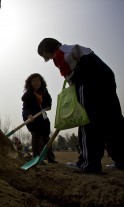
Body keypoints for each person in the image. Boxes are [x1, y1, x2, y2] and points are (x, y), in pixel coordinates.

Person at [37, 38, 124, 173]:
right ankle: (122, 161)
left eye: (44, 55)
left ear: (46, 49)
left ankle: (88, 164)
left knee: (87, 120)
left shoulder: (59, 54)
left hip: (89, 81)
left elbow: (71, 77)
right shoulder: (72, 48)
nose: (45, 59)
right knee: (113, 122)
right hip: (106, 79)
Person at [22, 73, 57, 163]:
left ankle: (51, 158)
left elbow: (49, 100)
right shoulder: (27, 95)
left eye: (38, 80)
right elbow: (26, 108)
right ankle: (37, 159)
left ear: (41, 82)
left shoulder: (44, 92)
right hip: (31, 117)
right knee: (36, 136)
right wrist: (28, 115)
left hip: (43, 115)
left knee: (46, 137)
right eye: (33, 81)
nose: (36, 82)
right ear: (30, 83)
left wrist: (48, 106)